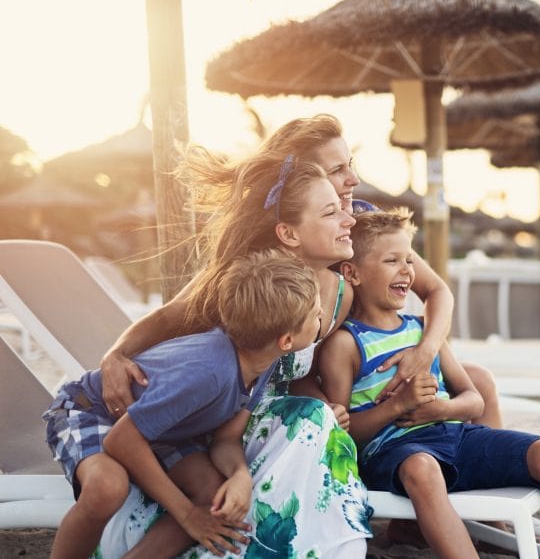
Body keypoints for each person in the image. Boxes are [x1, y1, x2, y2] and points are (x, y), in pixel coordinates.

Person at [95, 159, 373, 558]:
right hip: (209, 412)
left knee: (318, 416)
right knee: (312, 420)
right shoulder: (251, 280)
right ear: (288, 233)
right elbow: (166, 318)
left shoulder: (339, 294)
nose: (350, 219)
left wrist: (328, 402)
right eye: (332, 212)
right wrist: (115, 355)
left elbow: (290, 369)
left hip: (249, 412)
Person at [319, 207, 540, 558]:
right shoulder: (345, 345)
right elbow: (343, 436)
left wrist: (441, 409)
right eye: (391, 261)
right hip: (395, 454)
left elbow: (475, 401)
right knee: (422, 468)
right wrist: (398, 406)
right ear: (352, 273)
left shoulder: (424, 331)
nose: (406, 271)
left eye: (409, 260)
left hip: (455, 437)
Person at [43, 248, 322, 558]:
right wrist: (187, 515)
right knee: (108, 488)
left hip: (161, 430)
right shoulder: (209, 371)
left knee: (213, 498)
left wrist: (240, 476)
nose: (321, 317)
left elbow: (226, 439)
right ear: (286, 340)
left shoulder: (263, 360)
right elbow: (122, 439)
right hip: (94, 411)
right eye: (315, 314)